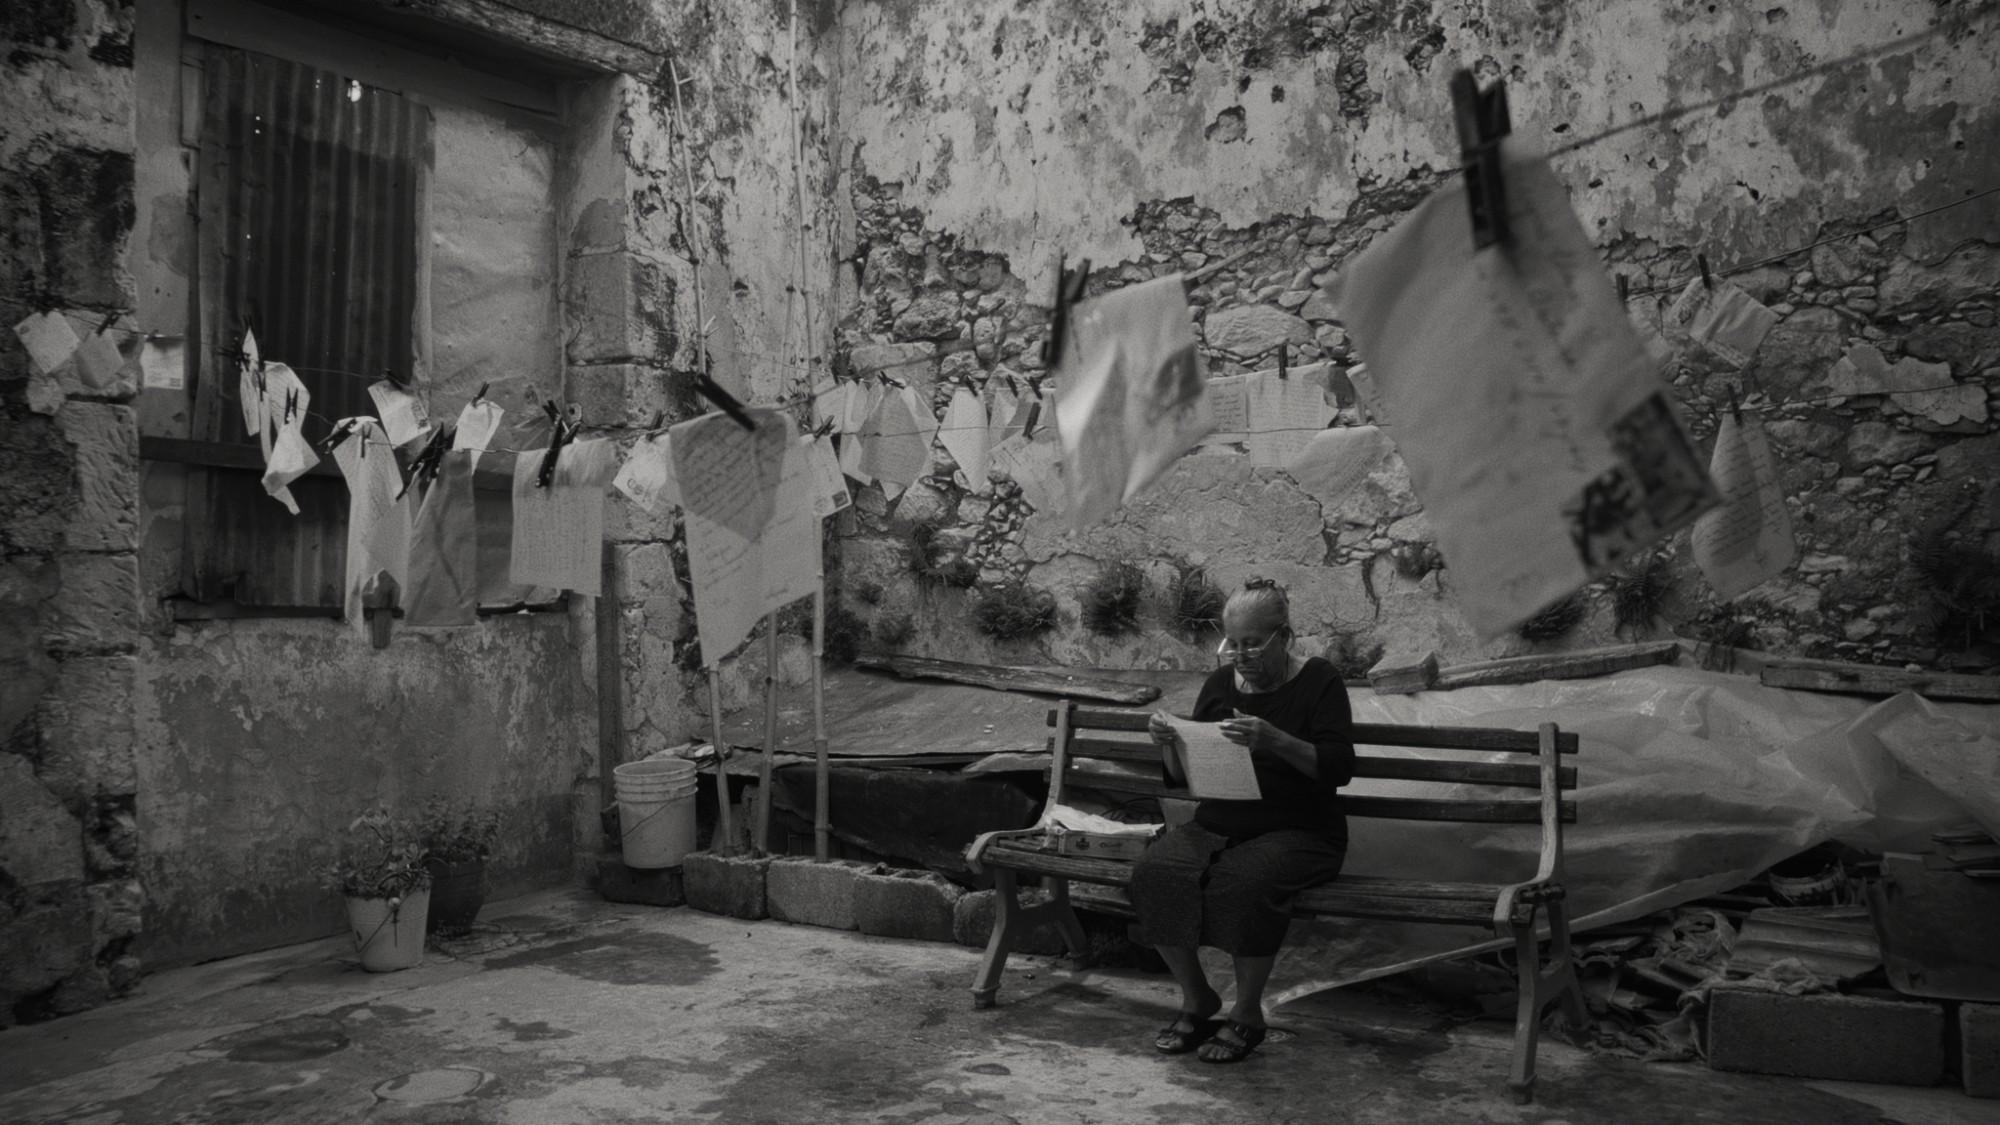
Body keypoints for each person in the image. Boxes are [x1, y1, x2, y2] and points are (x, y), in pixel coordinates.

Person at [1131, 577, 1355, 1063]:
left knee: (1244, 881)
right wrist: (1169, 744)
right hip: (1219, 823)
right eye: (1233, 643)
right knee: (1154, 872)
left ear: (1285, 637)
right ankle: (1198, 998)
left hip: (1301, 830)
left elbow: (1338, 768)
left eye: (1253, 643)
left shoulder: (1320, 681)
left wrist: (1274, 740)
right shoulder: (1217, 685)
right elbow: (1182, 779)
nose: (1240, 654)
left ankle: (1248, 1013)